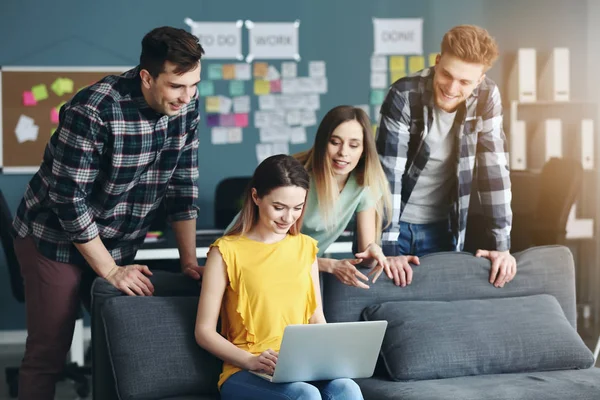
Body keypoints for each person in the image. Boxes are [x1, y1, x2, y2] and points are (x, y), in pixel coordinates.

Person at [11, 26, 204, 399]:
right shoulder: (95, 109)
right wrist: (110, 270)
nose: (187, 96)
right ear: (147, 77)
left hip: (118, 239)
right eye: (177, 86)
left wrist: (188, 262)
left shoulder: (187, 106)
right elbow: (69, 200)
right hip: (52, 236)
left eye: (194, 85)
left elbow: (183, 186)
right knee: (48, 353)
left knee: (123, 345)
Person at [195, 154, 364, 400]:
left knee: (347, 388)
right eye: (279, 207)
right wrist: (251, 361)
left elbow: (317, 318)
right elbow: (204, 332)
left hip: (302, 366)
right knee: (304, 395)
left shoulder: (306, 247)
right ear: (256, 197)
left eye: (297, 208)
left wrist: (330, 359)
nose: (288, 218)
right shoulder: (225, 252)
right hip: (245, 369)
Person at [376, 24, 516, 288]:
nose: (451, 88)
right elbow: (387, 176)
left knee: (439, 311)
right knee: (388, 305)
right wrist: (389, 246)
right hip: (393, 223)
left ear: (480, 79)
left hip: (444, 226)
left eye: (464, 82)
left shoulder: (487, 96)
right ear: (437, 61)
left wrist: (501, 246)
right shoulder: (404, 95)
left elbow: (494, 170)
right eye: (447, 74)